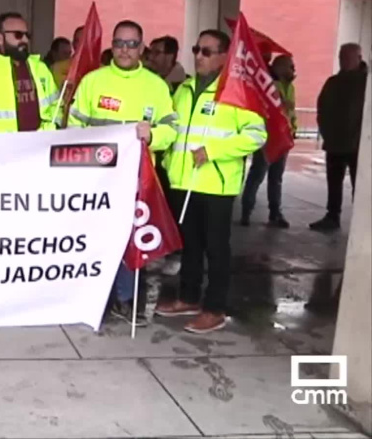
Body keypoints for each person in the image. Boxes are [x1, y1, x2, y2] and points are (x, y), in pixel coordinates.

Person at [67, 20, 179, 326]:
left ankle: (126, 301)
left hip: (136, 180)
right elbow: (74, 129)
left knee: (128, 242)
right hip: (96, 179)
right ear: (112, 46)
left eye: (131, 44)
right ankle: (94, 297)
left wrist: (153, 135)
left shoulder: (156, 86)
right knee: (95, 240)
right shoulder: (93, 81)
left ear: (141, 48)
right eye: (119, 43)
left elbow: (172, 130)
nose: (125, 50)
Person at [156, 29, 267, 334]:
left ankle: (215, 308)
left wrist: (214, 151)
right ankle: (189, 297)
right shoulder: (184, 89)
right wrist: (167, 162)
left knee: (216, 249)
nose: (198, 56)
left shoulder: (236, 91)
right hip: (183, 181)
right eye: (196, 49)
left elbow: (257, 134)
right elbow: (173, 132)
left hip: (216, 184)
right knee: (189, 245)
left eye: (206, 51)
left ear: (223, 56)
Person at [0, 12, 60, 133]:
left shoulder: (40, 68)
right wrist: (13, 141)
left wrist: (45, 133)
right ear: (0, 38)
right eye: (18, 35)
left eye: (27, 35)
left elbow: (57, 108)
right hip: (4, 149)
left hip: (40, 146)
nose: (25, 40)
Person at [309, 43, 368, 231]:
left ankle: (363, 220)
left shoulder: (367, 83)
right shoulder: (333, 82)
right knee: (334, 182)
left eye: (348, 58)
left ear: (359, 58)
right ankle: (332, 216)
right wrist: (326, 131)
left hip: (359, 145)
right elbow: (322, 108)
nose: (343, 61)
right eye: (341, 57)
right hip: (335, 142)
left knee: (360, 184)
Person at [241, 54, 298, 228]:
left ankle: (275, 213)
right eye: (290, 66)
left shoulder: (290, 87)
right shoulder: (266, 84)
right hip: (268, 136)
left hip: (283, 136)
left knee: (276, 177)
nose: (293, 69)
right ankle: (246, 211)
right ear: (280, 67)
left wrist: (293, 128)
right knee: (257, 174)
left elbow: (290, 112)